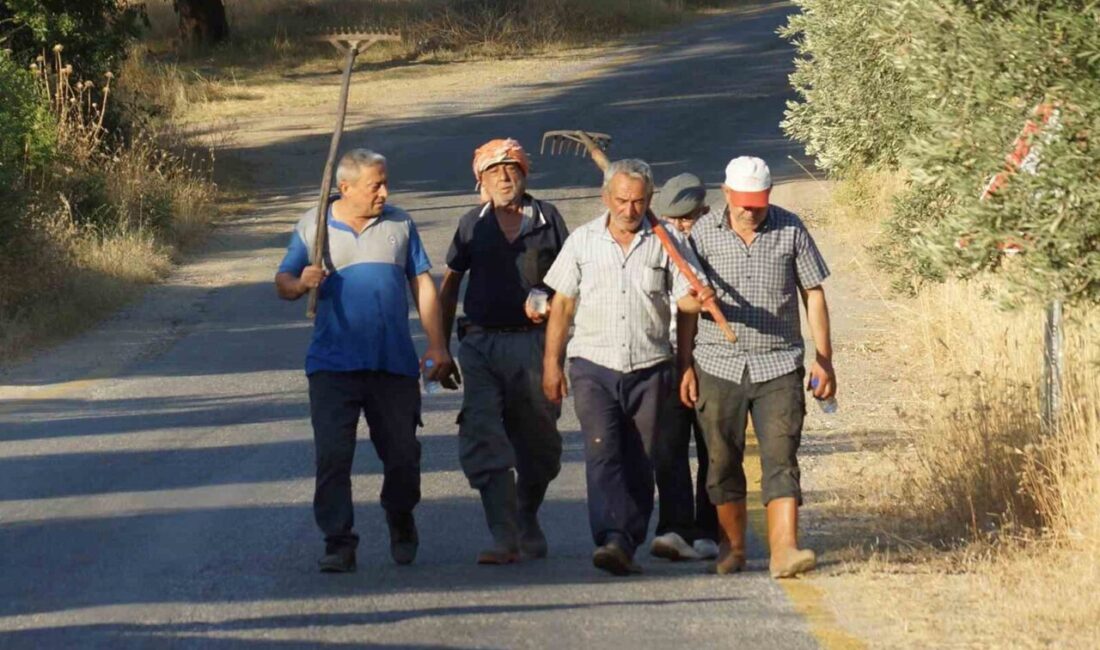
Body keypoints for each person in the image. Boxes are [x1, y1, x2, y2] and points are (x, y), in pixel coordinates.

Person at [275, 149, 456, 573]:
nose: (385, 192)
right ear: (346, 188)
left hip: (391, 363)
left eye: (385, 182)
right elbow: (282, 282)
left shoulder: (400, 223)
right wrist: (301, 282)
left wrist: (437, 345)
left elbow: (423, 287)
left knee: (402, 455)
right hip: (332, 365)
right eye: (376, 184)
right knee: (333, 457)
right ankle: (339, 541)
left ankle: (400, 516)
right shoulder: (314, 226)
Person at [542, 159, 714, 576]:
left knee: (641, 456)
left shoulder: (667, 240)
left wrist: (697, 300)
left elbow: (685, 303)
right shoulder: (583, 241)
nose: (629, 209)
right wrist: (551, 363)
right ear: (606, 198)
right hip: (592, 365)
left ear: (650, 200)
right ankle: (613, 537)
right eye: (621, 200)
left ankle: (629, 538)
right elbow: (562, 304)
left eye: (638, 201)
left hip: (651, 365)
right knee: (602, 452)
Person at [678, 156, 836, 579]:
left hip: (779, 363)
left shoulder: (790, 227)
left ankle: (784, 550)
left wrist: (824, 357)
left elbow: (813, 293)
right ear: (726, 194)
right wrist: (686, 362)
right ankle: (732, 549)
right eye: (742, 202)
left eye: (758, 203)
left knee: (781, 455)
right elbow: (684, 306)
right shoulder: (701, 236)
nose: (750, 211)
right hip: (716, 364)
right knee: (721, 459)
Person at [439, 138, 569, 564]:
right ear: (481, 181)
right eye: (494, 171)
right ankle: (503, 532)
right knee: (481, 432)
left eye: (511, 168)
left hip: (536, 345)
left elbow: (573, 280)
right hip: (480, 343)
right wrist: (439, 347)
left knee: (541, 443)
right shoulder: (470, 224)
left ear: (525, 174)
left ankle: (526, 513)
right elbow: (449, 285)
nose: (504, 176)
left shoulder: (548, 218)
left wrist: (549, 299)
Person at [647, 173, 720, 562]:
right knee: (668, 446)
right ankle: (674, 527)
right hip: (665, 355)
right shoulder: (657, 241)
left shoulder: (716, 242)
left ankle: (709, 529)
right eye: (672, 220)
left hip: (710, 358)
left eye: (687, 219)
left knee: (713, 445)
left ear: (704, 212)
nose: (679, 227)